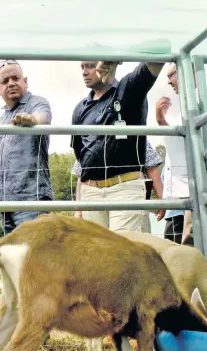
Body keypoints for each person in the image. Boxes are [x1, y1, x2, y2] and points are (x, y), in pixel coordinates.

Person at [70, 60, 163, 232]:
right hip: (91, 193)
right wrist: (79, 207)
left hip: (125, 188)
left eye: (90, 66)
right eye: (82, 67)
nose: (84, 72)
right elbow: (80, 159)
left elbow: (157, 57)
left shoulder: (129, 89)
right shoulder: (80, 109)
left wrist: (116, 57)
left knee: (123, 252)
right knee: (97, 253)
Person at [0, 60, 53, 235]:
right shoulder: (1, 118)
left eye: (15, 78)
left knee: (32, 257)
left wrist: (33, 120)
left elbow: (44, 116)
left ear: (25, 81)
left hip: (31, 200)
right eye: (5, 81)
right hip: (5, 203)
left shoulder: (36, 103)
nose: (11, 83)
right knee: (12, 259)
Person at [71, 140, 165, 232]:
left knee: (125, 243)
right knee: (96, 244)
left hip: (126, 190)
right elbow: (81, 174)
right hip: (91, 193)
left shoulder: (129, 128)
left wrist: (162, 198)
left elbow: (151, 167)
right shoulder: (88, 134)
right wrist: (78, 210)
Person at [156, 62, 194, 246]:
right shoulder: (186, 106)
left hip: (188, 198)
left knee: (187, 251)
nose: (168, 80)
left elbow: (183, 147)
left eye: (171, 74)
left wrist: (161, 121)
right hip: (176, 202)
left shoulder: (198, 102)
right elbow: (175, 152)